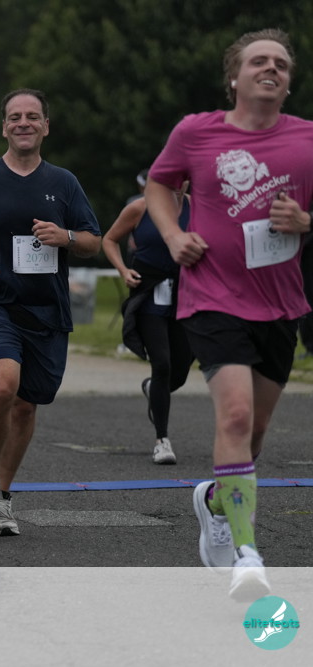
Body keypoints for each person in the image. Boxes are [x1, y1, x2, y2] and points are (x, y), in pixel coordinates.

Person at [144, 29, 313, 601]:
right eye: (258, 61)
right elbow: (160, 185)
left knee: (254, 433)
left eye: (281, 64)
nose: (271, 69)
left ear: (288, 82)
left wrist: (306, 223)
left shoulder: (307, 139)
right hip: (212, 296)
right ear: (234, 77)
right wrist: (173, 235)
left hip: (280, 303)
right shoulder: (197, 132)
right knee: (235, 417)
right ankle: (248, 554)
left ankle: (216, 500)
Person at [0, 89, 101, 537]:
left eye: (32, 116)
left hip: (46, 310)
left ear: (46, 125)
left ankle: (3, 497)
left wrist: (65, 236)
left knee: (26, 406)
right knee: (3, 385)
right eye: (14, 117)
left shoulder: (63, 182)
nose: (23, 122)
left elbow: (93, 240)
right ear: (4, 127)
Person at [102, 182, 194, 464]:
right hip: (149, 295)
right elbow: (109, 239)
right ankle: (162, 440)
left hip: (186, 296)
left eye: (183, 176)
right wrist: (123, 270)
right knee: (162, 364)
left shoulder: (199, 207)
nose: (177, 182)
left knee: (179, 371)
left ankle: (154, 387)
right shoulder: (140, 207)